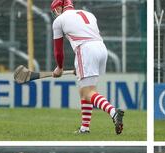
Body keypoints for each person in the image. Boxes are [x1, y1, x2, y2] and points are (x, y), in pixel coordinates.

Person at [51, 0, 125, 135]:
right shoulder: (89, 14)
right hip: (102, 49)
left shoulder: (59, 20)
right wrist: (79, 68)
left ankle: (113, 112)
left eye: (54, 10)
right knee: (85, 90)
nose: (55, 14)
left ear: (59, 8)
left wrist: (59, 68)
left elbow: (58, 51)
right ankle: (84, 128)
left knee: (88, 92)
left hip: (85, 49)